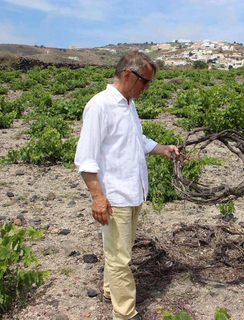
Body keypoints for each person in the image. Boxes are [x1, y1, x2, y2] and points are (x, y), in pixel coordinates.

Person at [74, 51, 179, 320]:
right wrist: (98, 198)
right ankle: (125, 313)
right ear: (128, 75)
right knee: (120, 258)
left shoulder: (128, 103)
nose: (147, 88)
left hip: (134, 192)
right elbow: (85, 160)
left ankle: (111, 291)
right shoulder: (100, 105)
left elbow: (137, 140)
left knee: (120, 251)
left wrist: (164, 149)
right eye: (145, 82)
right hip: (116, 196)